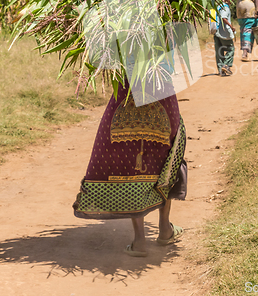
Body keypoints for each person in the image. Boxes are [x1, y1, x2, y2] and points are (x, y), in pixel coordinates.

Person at [73, 80, 187, 257]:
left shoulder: (120, 50)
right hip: (162, 93)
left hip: (127, 96)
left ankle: (140, 240)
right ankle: (165, 229)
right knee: (166, 160)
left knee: (130, 163)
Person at [214, 0, 236, 76]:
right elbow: (224, 18)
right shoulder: (225, 7)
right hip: (224, 33)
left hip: (217, 32)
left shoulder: (218, 6)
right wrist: (231, 26)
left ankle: (220, 70)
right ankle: (226, 65)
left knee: (219, 51)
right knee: (231, 49)